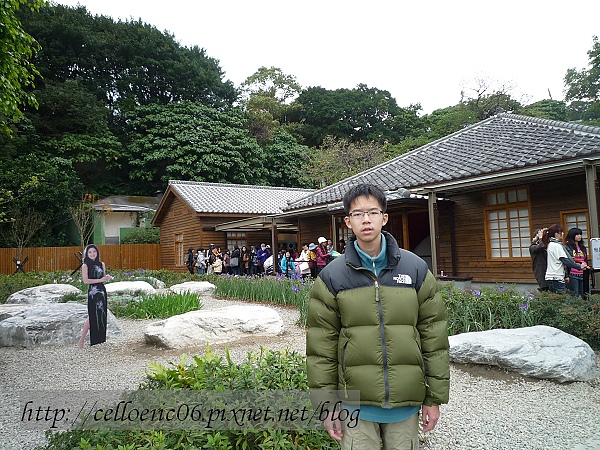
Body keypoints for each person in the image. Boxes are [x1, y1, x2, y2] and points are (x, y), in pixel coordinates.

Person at [306, 183, 450, 450]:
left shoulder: (415, 268)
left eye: (372, 212)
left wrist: (434, 398)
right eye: (358, 214)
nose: (366, 219)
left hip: (405, 405)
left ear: (384, 217)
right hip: (355, 406)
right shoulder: (332, 277)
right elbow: (321, 349)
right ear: (348, 222)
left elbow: (434, 338)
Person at [79, 244, 112, 347]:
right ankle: (82, 340)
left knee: (101, 315)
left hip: (102, 292)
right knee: (92, 315)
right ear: (87, 254)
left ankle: (101, 339)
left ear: (97, 253)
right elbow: (86, 280)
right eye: (90, 252)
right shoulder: (85, 265)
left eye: (94, 252)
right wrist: (100, 280)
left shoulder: (102, 264)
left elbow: (102, 277)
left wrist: (106, 278)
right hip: (93, 292)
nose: (92, 254)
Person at [542, 224, 588, 294]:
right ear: (557, 234)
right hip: (556, 277)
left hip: (552, 277)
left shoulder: (551, 244)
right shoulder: (557, 246)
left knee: (555, 300)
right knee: (561, 300)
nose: (563, 233)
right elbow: (566, 261)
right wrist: (579, 266)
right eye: (561, 232)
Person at [564, 228, 588, 298]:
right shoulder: (567, 247)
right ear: (572, 235)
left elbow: (585, 259)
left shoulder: (582, 247)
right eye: (577, 234)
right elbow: (567, 262)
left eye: (580, 234)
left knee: (586, 295)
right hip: (572, 274)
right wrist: (566, 275)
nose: (579, 236)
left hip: (583, 273)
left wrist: (586, 265)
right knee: (574, 296)